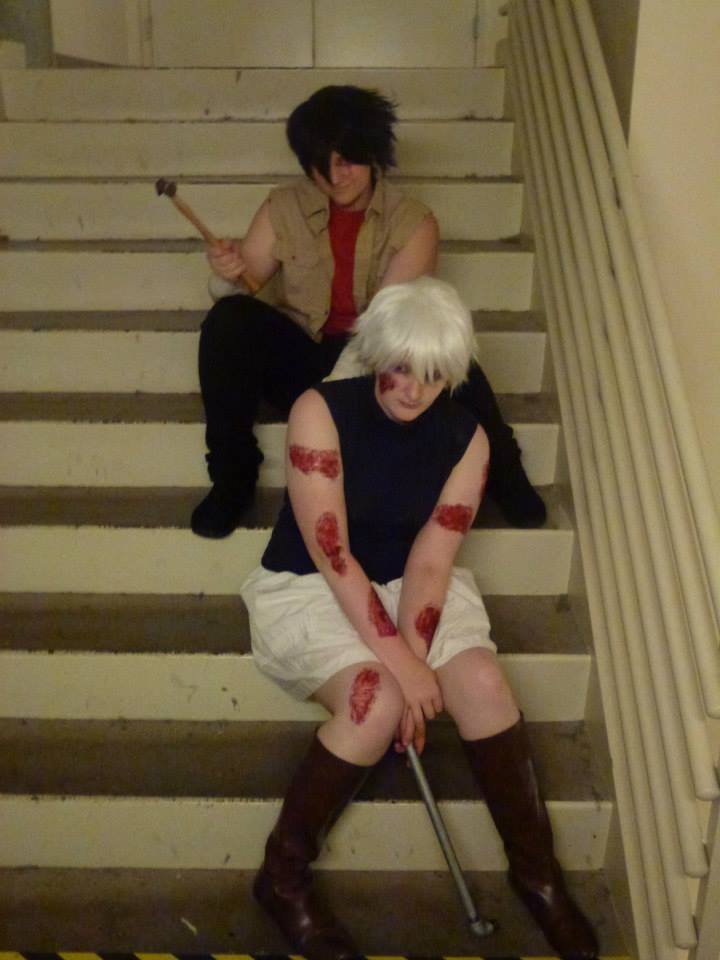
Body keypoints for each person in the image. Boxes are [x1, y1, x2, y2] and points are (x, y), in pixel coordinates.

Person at [240, 278, 598, 960]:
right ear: (378, 353)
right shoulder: (320, 410)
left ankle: (537, 875)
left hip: (410, 582)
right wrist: (401, 672)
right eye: (401, 368)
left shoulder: (468, 439)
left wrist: (412, 657)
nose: (412, 390)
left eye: (432, 375)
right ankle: (281, 877)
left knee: (484, 684)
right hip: (312, 582)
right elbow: (333, 555)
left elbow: (432, 562)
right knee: (374, 702)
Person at [191, 84, 545, 538]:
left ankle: (505, 472)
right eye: (321, 165)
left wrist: (325, 410)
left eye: (347, 161)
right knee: (228, 320)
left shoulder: (414, 222)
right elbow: (244, 284)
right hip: (305, 354)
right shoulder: (283, 206)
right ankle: (232, 477)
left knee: (458, 361)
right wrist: (225, 273)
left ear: (373, 153)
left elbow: (382, 330)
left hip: (377, 362)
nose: (335, 177)